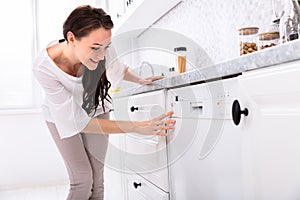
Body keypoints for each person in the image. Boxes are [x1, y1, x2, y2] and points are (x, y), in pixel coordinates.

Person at [32, 5, 175, 200]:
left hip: (95, 107)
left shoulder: (103, 47)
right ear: (72, 38)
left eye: (106, 47)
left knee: (97, 182)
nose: (102, 55)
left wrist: (141, 80)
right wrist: (138, 126)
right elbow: (76, 121)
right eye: (95, 48)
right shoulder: (44, 67)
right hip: (61, 117)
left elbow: (118, 69)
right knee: (82, 180)